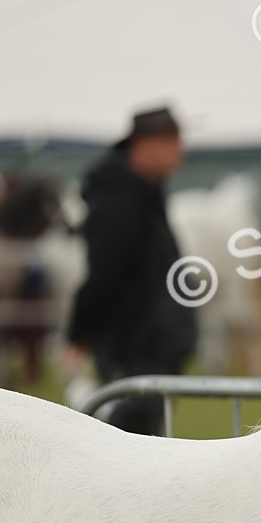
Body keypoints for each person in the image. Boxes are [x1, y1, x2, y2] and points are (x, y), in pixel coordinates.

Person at [64, 106, 196, 434]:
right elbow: (105, 272)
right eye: (170, 140)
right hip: (134, 344)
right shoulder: (120, 200)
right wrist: (80, 332)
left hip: (150, 342)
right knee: (127, 440)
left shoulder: (141, 193)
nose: (180, 150)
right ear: (143, 145)